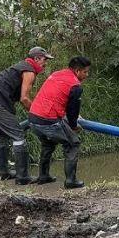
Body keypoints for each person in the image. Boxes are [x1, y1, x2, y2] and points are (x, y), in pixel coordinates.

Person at [0, 46, 53, 184]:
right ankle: (23, 177)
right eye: (44, 59)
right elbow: (24, 98)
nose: (46, 63)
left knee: (1, 135)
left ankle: (3, 173)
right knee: (18, 135)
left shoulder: (21, 66)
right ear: (36, 59)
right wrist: (37, 114)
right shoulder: (29, 71)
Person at [28, 56, 91, 189]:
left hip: (33, 117)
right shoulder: (75, 85)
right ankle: (71, 181)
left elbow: (60, 100)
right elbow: (72, 111)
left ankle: (43, 176)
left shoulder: (57, 74)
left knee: (48, 144)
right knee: (73, 144)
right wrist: (73, 126)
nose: (87, 75)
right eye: (85, 72)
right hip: (48, 120)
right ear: (78, 71)